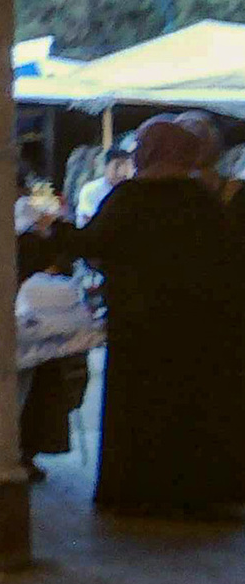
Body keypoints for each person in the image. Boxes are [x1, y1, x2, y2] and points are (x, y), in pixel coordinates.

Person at [46, 115, 245, 517]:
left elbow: (96, 241)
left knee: (141, 408)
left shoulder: (132, 197)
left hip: (141, 325)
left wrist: (54, 230)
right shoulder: (203, 201)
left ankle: (139, 493)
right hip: (200, 327)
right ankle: (195, 495)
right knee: (191, 407)